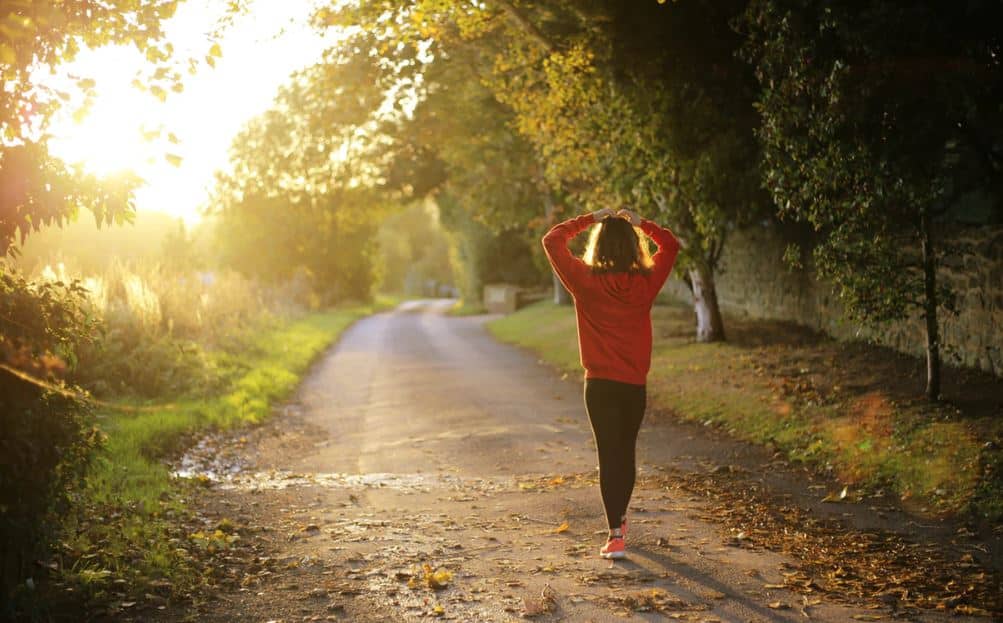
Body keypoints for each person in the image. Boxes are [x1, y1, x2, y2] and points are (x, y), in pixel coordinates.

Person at [542, 207, 680, 560]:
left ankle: (615, 534)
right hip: (633, 385)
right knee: (626, 452)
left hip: (600, 386)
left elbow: (552, 240)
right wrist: (642, 223)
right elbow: (671, 245)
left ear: (598, 246)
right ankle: (619, 519)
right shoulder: (646, 283)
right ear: (634, 247)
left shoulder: (584, 280)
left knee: (609, 455)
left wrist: (589, 218)